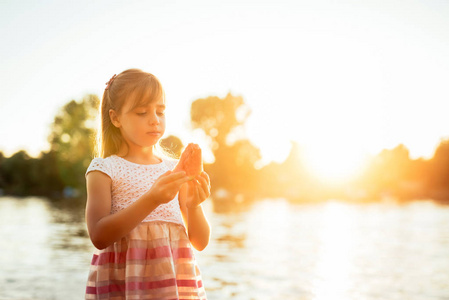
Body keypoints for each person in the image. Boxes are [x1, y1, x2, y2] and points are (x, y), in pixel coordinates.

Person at [84, 69, 210, 299]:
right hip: (124, 288)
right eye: (142, 112)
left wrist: (194, 205)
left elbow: (200, 242)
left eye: (160, 111)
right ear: (115, 118)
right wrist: (152, 199)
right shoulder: (104, 169)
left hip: (173, 289)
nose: (154, 119)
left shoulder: (174, 170)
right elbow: (98, 236)